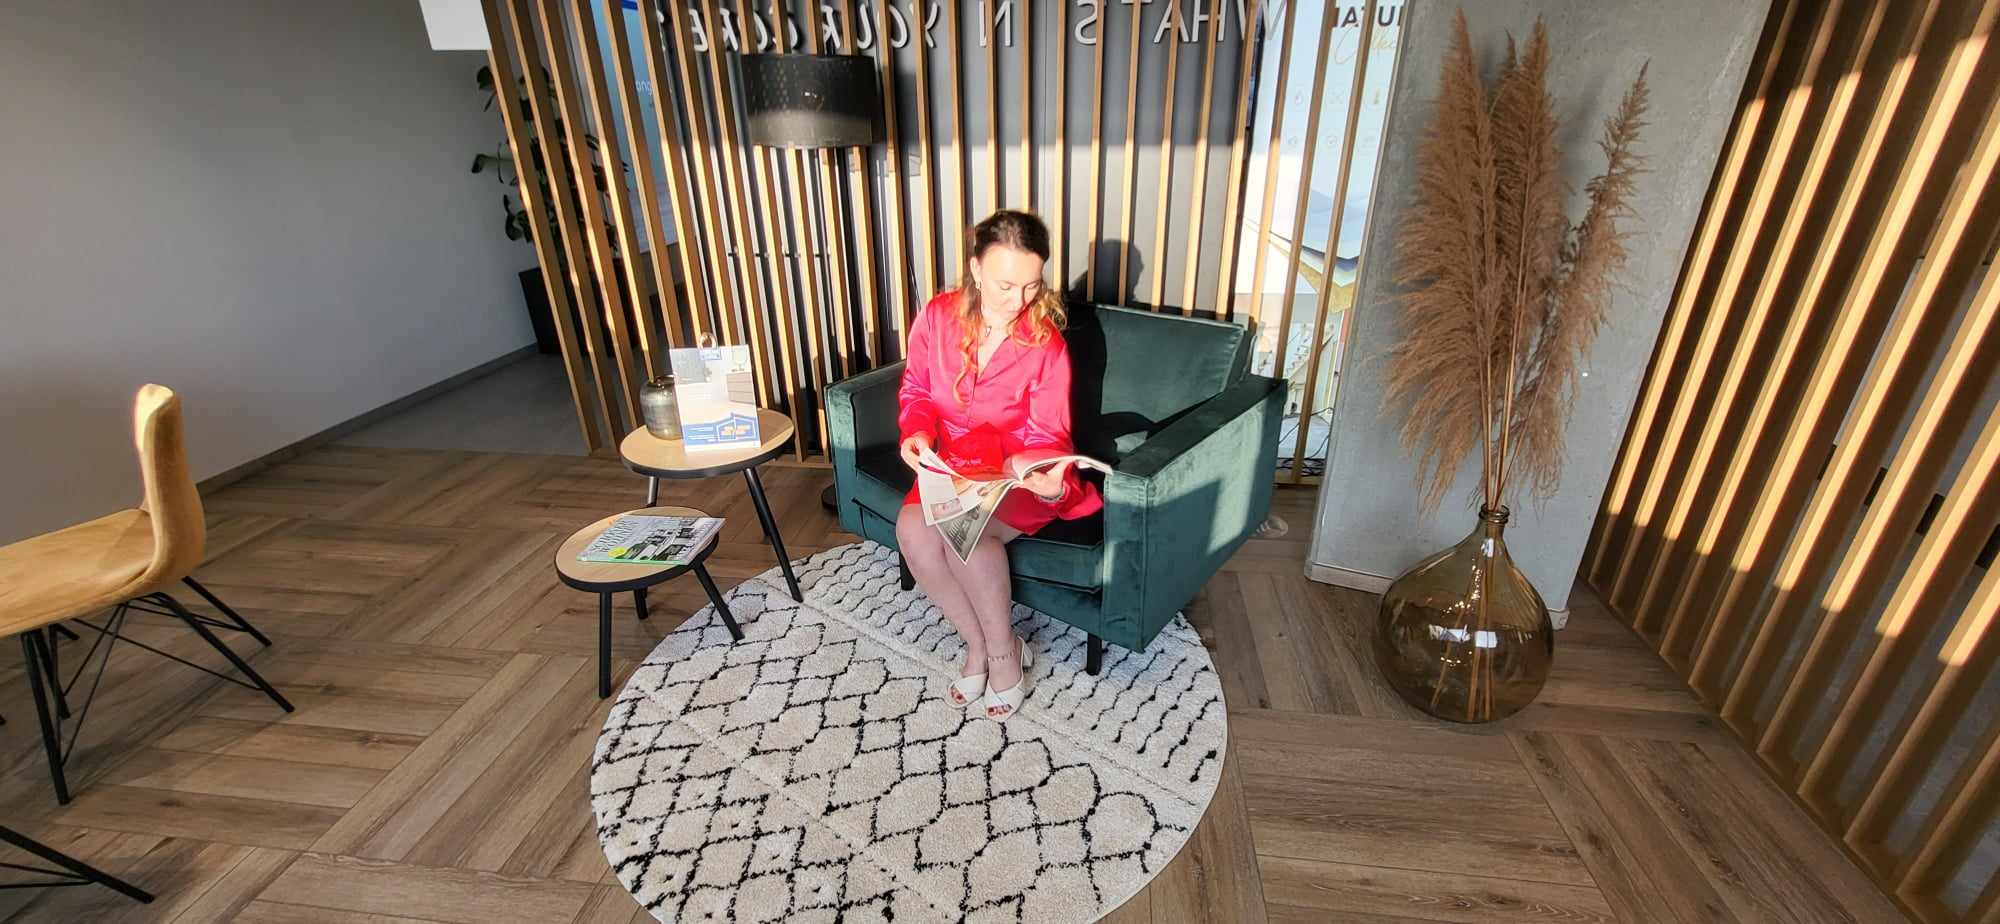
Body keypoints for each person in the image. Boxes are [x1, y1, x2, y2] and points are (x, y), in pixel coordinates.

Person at [894, 209, 1102, 721]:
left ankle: (1005, 659)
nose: (1019, 300)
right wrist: (916, 433)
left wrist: (1045, 478)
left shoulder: (1046, 344)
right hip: (953, 463)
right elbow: (917, 389)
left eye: (1032, 285)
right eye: (1006, 285)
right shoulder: (937, 317)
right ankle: (982, 645)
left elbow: (1049, 435)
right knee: (912, 532)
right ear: (976, 269)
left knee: (966, 539)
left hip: (1015, 475)